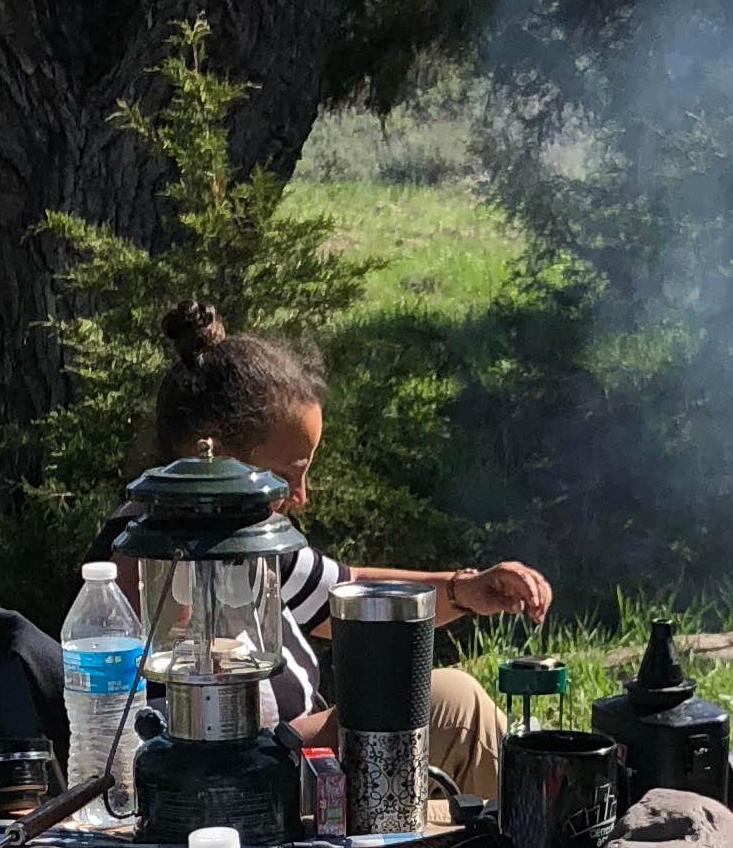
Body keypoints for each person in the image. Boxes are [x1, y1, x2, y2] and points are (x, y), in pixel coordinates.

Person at [127, 299, 551, 803]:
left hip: (281, 764)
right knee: (453, 704)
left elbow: (348, 597)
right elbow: (181, 731)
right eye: (287, 475)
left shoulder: (244, 535)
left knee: (450, 702)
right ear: (211, 451)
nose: (301, 497)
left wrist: (465, 591)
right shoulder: (148, 552)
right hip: (234, 787)